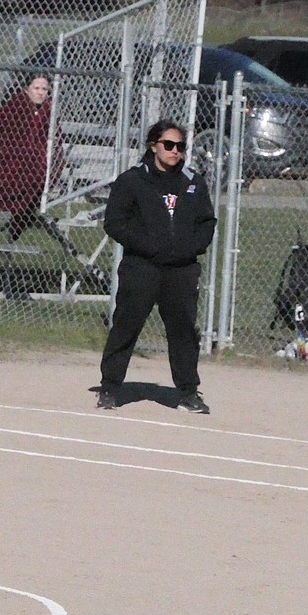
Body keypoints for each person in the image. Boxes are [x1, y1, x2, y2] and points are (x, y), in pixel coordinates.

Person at [96, 120, 217, 414]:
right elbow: (114, 222)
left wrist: (190, 248)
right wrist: (147, 245)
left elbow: (207, 223)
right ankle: (110, 388)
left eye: (180, 147)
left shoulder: (193, 183)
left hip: (181, 270)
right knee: (127, 324)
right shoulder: (133, 181)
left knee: (183, 331)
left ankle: (188, 392)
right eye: (169, 145)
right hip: (142, 267)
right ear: (153, 146)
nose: (175, 152)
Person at [0, 72, 65, 241]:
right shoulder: (14, 107)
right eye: (36, 88)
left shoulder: (48, 112)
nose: (40, 92)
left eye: (44, 89)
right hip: (5, 165)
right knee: (12, 178)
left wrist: (39, 157)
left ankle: (20, 217)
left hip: (33, 167)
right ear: (27, 89)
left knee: (35, 175)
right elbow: (0, 141)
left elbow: (53, 142)